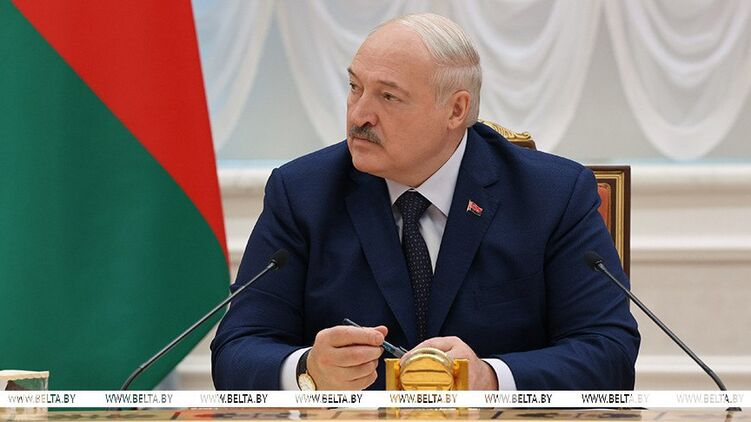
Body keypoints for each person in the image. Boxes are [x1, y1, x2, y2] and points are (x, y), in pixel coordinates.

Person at [211, 13, 639, 391]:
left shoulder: (551, 195)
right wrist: (309, 369)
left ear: (456, 110)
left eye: (388, 97)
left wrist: (490, 378)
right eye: (355, 87)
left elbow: (608, 350)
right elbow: (237, 348)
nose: (359, 115)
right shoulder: (303, 192)